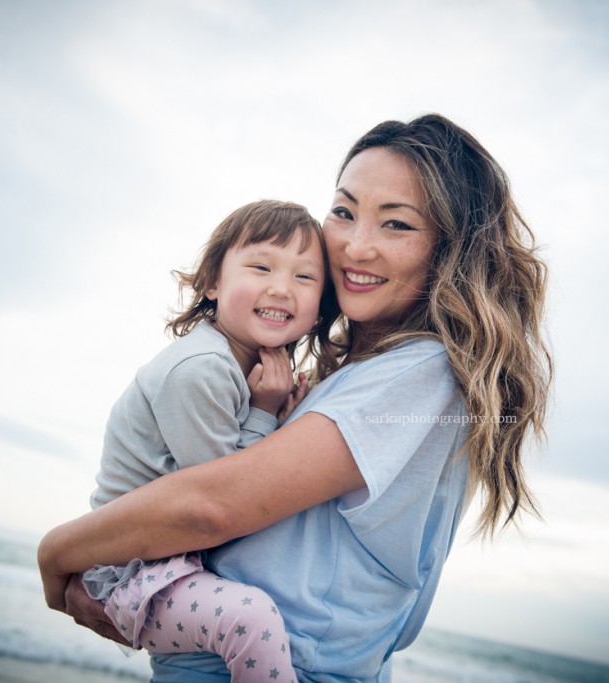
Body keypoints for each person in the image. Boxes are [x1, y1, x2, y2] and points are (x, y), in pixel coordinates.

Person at [39, 113, 552, 682]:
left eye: (397, 225)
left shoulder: (422, 372)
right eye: (343, 212)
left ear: (451, 249)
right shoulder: (355, 373)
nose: (358, 246)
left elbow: (211, 506)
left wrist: (58, 553)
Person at [81, 199, 339, 682]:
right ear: (212, 283)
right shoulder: (202, 369)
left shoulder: (246, 366)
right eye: (261, 266)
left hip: (174, 564)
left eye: (305, 278)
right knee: (252, 619)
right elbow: (226, 504)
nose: (281, 287)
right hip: (131, 574)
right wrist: (265, 412)